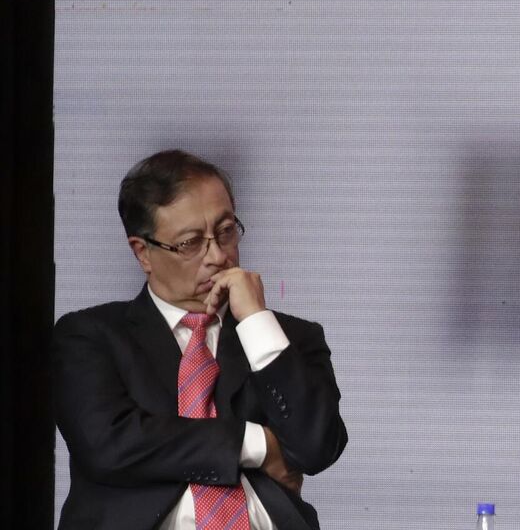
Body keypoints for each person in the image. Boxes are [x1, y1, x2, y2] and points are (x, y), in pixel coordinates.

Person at [53, 150, 349, 529]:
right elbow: (110, 444)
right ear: (142, 252)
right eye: (191, 243)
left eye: (225, 231)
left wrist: (256, 321)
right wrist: (257, 443)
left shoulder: (288, 337)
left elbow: (317, 447)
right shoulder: (91, 335)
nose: (218, 256)